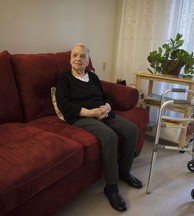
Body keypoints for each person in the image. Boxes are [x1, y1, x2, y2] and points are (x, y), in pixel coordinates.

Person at [56, 43, 143, 212]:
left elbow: (105, 97)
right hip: (80, 116)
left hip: (102, 112)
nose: (78, 59)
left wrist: (108, 107)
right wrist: (90, 113)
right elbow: (64, 105)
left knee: (131, 130)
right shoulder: (64, 78)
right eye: (75, 55)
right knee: (110, 136)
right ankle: (111, 187)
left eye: (82, 56)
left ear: (88, 60)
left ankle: (124, 171)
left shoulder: (93, 77)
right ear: (70, 59)